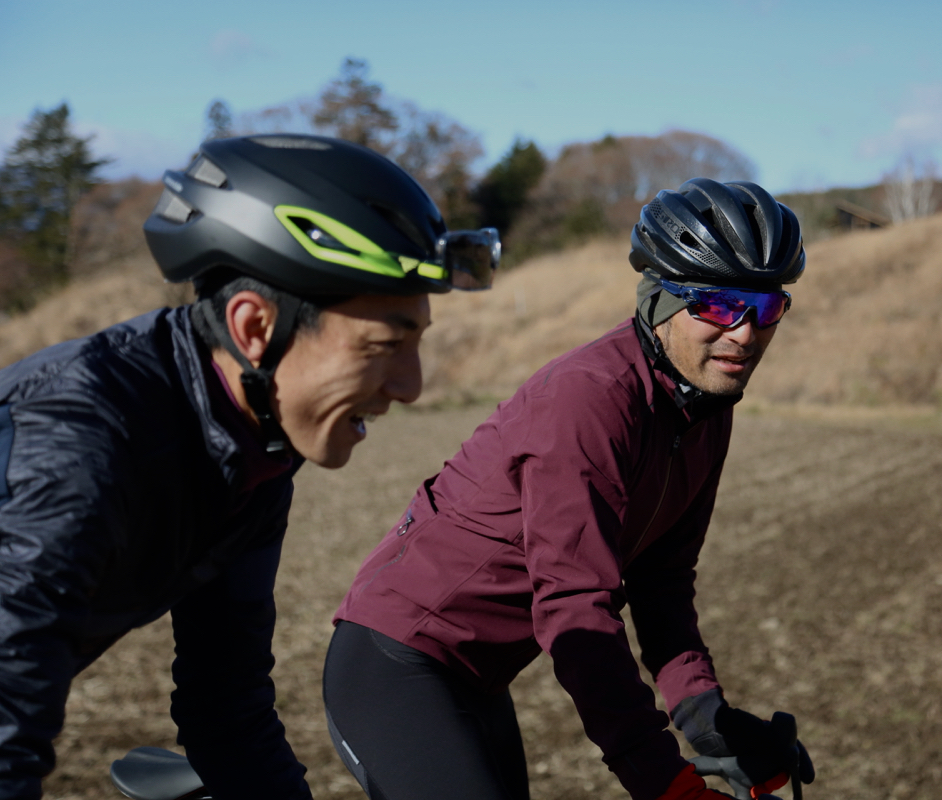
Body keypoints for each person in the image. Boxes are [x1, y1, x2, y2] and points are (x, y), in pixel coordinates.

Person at [0, 133, 500, 800]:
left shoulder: (253, 450)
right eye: (384, 344)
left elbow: (226, 707)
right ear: (254, 328)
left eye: (418, 342)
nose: (411, 385)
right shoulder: (82, 447)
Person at [326, 178, 817, 800]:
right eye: (717, 305)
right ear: (660, 301)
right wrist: (660, 777)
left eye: (766, 308)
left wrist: (708, 723)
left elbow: (662, 581)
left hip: (479, 681)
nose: (745, 333)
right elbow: (574, 601)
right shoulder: (589, 398)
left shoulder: (705, 408)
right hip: (397, 662)